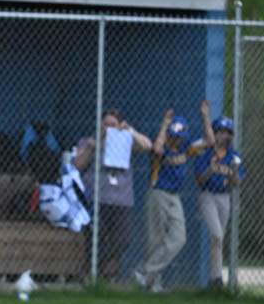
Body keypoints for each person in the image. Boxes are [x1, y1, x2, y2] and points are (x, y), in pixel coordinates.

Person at [135, 101, 213, 292]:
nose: (177, 140)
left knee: (179, 238)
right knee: (155, 239)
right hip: (158, 193)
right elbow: (157, 150)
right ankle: (153, 283)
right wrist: (164, 125)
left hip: (174, 196)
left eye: (180, 137)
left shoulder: (186, 146)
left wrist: (205, 116)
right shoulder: (162, 143)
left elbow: (210, 142)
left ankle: (145, 271)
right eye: (174, 136)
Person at [74, 108, 153, 283]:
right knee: (96, 239)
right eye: (106, 124)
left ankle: (90, 269)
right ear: (100, 125)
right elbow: (77, 166)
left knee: (123, 240)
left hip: (121, 200)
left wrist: (130, 131)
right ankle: (93, 277)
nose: (109, 128)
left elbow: (148, 145)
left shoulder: (125, 141)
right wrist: (90, 149)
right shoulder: (89, 142)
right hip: (97, 199)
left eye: (113, 125)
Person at [193, 114, 243, 288]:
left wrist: (234, 171)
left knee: (218, 239)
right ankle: (217, 277)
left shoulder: (233, 155)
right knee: (217, 235)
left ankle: (215, 280)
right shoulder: (206, 152)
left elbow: (236, 184)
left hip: (224, 197)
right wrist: (210, 169)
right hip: (207, 195)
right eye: (220, 132)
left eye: (227, 132)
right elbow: (199, 180)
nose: (224, 136)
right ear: (214, 133)